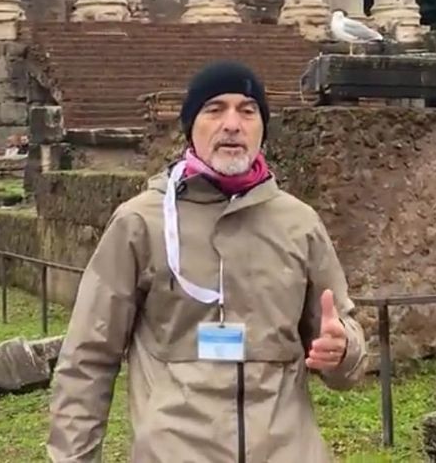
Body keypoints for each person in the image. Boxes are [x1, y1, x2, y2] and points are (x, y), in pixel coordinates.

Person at [47, 61, 368, 462]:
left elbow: (343, 343)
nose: (232, 124)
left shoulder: (299, 224)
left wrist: (343, 352)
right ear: (190, 126)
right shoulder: (140, 223)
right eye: (214, 109)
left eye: (247, 110)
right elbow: (87, 358)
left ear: (262, 127)